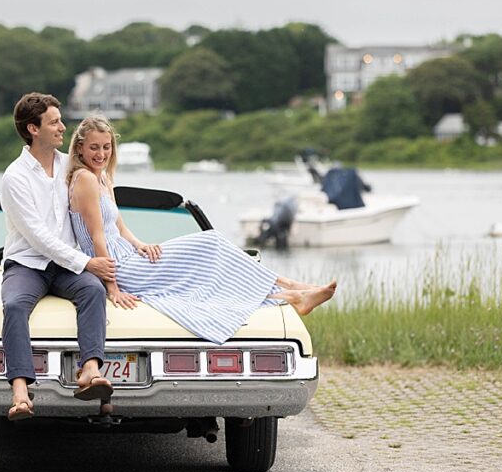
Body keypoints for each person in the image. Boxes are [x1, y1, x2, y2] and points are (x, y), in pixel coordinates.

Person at [67, 114, 336, 345]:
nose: (101, 154)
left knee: (213, 281)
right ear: (79, 148)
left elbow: (119, 225)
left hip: (129, 255)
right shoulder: (85, 180)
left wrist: (140, 244)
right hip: (119, 267)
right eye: (94, 148)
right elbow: (97, 236)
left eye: (106, 147)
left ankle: (293, 295)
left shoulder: (103, 177)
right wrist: (112, 287)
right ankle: (291, 285)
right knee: (212, 243)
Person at [0, 93, 118, 421]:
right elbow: (38, 237)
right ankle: (21, 392)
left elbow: (105, 205)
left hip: (66, 266)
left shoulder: (72, 165)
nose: (63, 127)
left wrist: (127, 244)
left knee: (93, 290)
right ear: (32, 129)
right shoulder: (15, 177)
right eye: (54, 122)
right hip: (27, 264)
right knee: (13, 306)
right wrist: (87, 263)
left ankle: (90, 371)